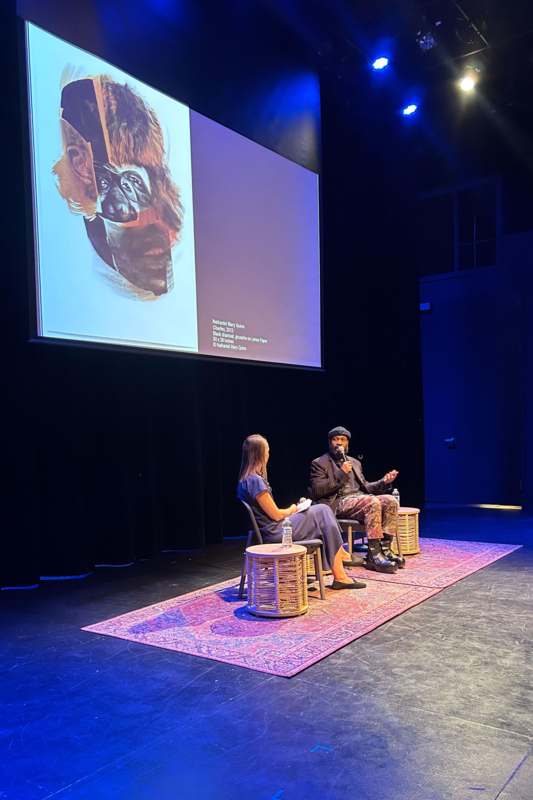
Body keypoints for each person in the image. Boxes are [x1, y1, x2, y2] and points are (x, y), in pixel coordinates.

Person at [237, 434, 366, 590]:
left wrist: (297, 509)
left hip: (273, 528)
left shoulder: (246, 479)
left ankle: (339, 563)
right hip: (274, 532)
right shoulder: (255, 480)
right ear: (260, 453)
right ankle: (340, 572)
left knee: (321, 513)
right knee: (323, 511)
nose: (268, 455)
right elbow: (276, 515)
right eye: (267, 451)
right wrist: (293, 509)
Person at [309, 426, 405, 573]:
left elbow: (366, 487)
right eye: (335, 440)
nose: (339, 443)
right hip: (338, 503)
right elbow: (317, 491)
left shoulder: (354, 462)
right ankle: (374, 554)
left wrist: (383, 482)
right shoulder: (320, 463)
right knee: (372, 502)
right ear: (330, 442)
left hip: (359, 499)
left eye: (343, 440)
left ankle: (385, 549)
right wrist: (341, 474)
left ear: (347, 443)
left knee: (390, 500)